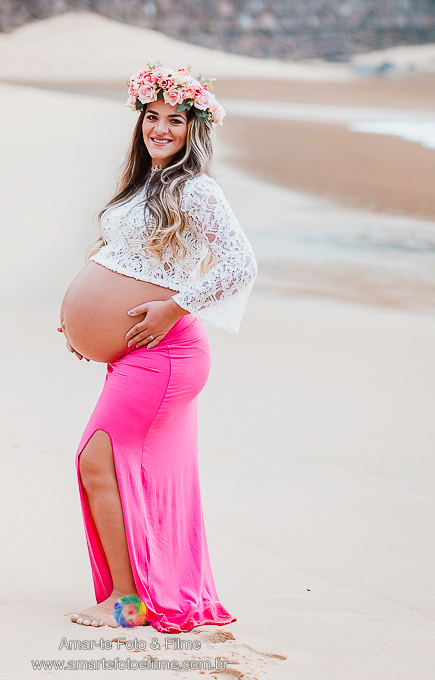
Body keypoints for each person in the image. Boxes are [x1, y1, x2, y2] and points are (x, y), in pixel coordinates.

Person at [58, 64, 257, 633]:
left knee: (96, 459)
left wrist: (173, 307)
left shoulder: (196, 188)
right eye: (152, 117)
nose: (160, 129)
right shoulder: (145, 183)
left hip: (167, 353)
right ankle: (137, 591)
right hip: (136, 353)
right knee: (116, 466)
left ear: (194, 129)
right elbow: (128, 262)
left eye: (174, 120)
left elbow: (241, 264)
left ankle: (126, 602)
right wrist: (82, 326)